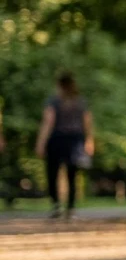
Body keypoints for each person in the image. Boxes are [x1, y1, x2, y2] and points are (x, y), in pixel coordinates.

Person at [35, 72, 94, 219]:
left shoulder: (54, 101)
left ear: (59, 85)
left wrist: (41, 142)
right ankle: (71, 208)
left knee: (52, 173)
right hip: (76, 140)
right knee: (72, 176)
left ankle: (56, 205)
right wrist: (89, 140)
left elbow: (48, 121)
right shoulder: (80, 102)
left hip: (57, 139)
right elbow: (87, 122)